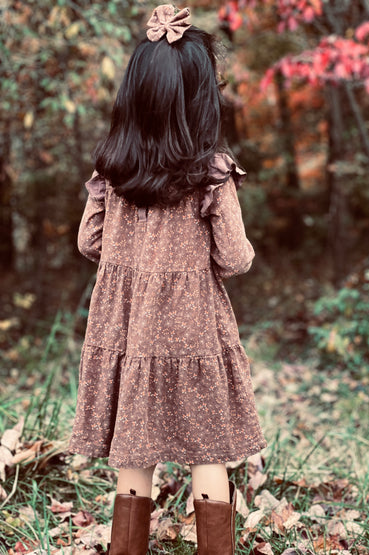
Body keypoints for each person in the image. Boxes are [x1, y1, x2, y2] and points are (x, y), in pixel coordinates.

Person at [69, 5, 266, 554]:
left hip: (129, 331)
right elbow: (234, 257)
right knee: (209, 450)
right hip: (194, 330)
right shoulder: (211, 171)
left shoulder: (112, 170)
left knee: (134, 453)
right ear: (201, 99)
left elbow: (89, 244)